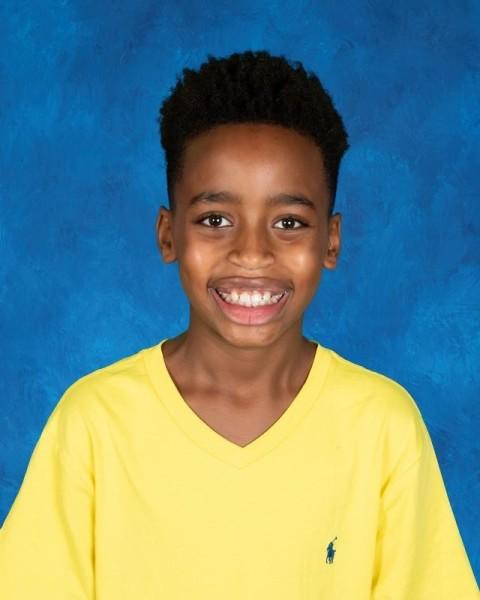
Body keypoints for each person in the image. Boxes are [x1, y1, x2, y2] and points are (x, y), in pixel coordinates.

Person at [0, 49, 478, 599]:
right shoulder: (94, 423)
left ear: (331, 242)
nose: (252, 252)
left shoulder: (382, 427)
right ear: (168, 235)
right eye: (215, 219)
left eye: (289, 222)